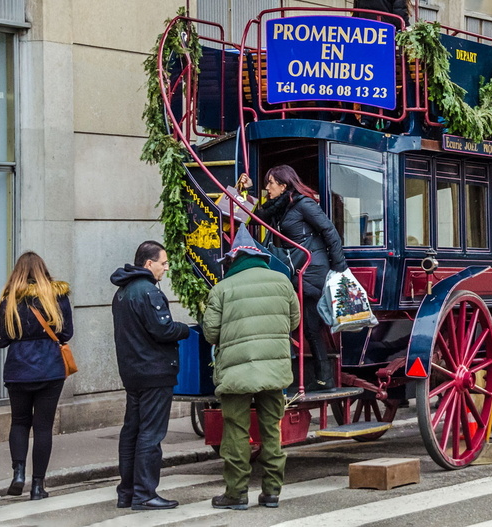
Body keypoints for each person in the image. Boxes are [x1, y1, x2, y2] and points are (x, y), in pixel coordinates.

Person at [203, 226, 301, 510]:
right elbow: (293, 321)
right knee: (272, 429)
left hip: (236, 372)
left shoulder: (222, 288)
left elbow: (210, 332)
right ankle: (271, 491)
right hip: (274, 369)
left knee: (235, 431)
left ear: (234, 260)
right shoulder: (282, 281)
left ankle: (236, 494)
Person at [250, 166, 347, 391]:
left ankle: (319, 376)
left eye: (271, 183)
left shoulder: (304, 204)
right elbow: (255, 218)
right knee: (309, 324)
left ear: (283, 185)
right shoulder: (280, 207)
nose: (267, 188)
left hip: (311, 269)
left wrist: (339, 267)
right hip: (297, 268)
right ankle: (322, 378)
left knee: (309, 324)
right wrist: (243, 191)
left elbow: (330, 231)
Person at [110, 241, 190, 510]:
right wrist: (184, 328)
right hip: (154, 371)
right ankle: (145, 494)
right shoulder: (148, 292)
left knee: (132, 431)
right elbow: (163, 330)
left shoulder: (122, 292)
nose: (166, 268)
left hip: (132, 371)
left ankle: (127, 492)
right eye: (163, 263)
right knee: (150, 434)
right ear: (148, 264)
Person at [0, 252, 74, 500]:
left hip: (18, 371)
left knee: (19, 422)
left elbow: (0, 340)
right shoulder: (57, 297)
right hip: (50, 370)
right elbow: (66, 334)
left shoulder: (9, 301)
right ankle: (38, 486)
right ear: (43, 270)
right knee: (43, 428)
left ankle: (18, 473)